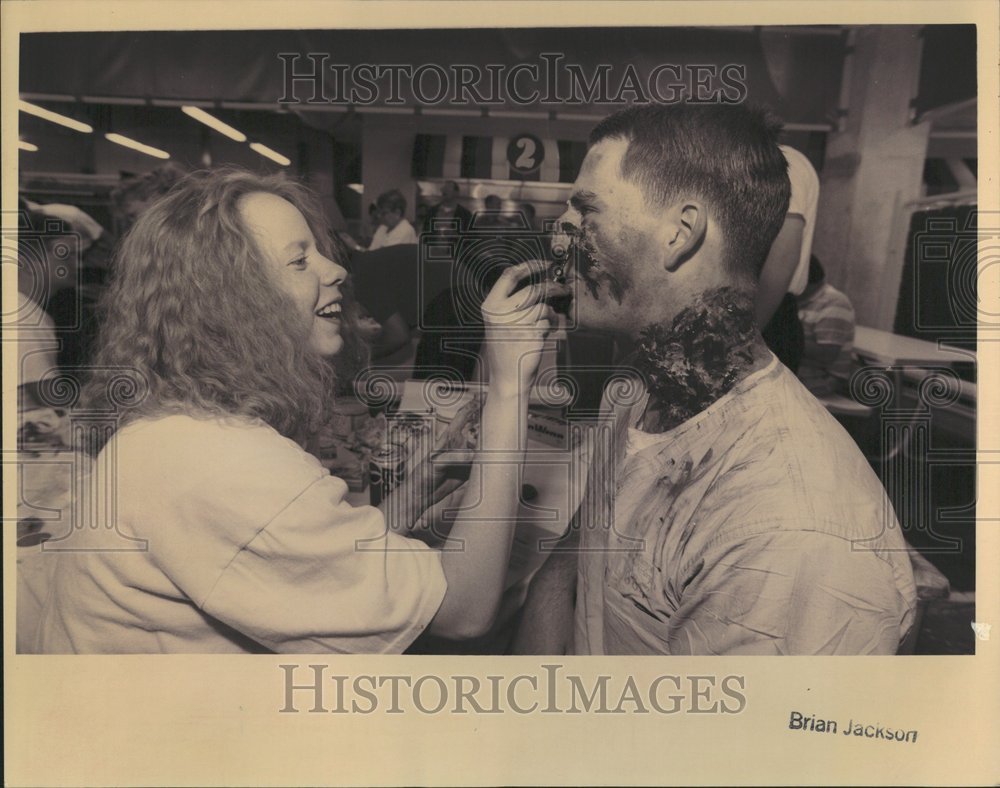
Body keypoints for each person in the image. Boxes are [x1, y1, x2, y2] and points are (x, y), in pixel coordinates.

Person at [33, 167, 562, 654]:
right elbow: (462, 612)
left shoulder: (182, 426)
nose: (336, 269)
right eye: (300, 259)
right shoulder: (228, 465)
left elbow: (321, 559)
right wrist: (509, 386)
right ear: (236, 301)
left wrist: (417, 489)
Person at [517, 104, 916, 656]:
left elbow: (736, 745)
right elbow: (577, 557)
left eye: (586, 211)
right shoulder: (640, 381)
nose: (561, 231)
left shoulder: (791, 532)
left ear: (680, 233)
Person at [755, 145, 820, 371]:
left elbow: (782, 257)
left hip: (765, 316)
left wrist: (744, 339)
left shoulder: (776, 160)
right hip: (750, 316)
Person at [796, 255, 857, 396]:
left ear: (802, 282)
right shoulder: (797, 300)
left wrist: (783, 339)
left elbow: (826, 355)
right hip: (803, 376)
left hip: (824, 381)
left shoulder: (834, 302)